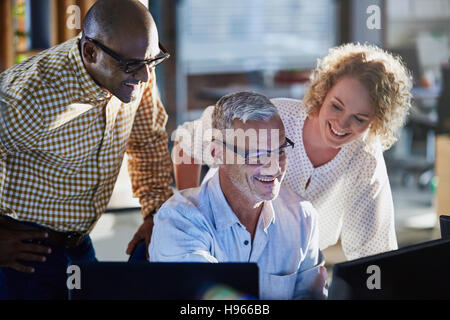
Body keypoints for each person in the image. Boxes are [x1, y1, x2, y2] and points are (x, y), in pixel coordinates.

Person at [172, 43, 413, 260]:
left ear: (376, 121)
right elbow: (186, 142)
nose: (341, 123)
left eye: (359, 118)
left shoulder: (365, 157)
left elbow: (372, 250)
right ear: (323, 92)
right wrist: (188, 209)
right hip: (221, 246)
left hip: (293, 265)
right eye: (336, 106)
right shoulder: (272, 118)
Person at [0, 0, 173, 299]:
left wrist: (155, 211)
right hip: (21, 255)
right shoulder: (28, 96)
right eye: (132, 65)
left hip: (78, 246)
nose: (145, 76)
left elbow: (147, 140)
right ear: (90, 52)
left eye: (152, 61)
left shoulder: (137, 68)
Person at [150, 92, 328, 300]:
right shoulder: (179, 220)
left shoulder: (302, 216)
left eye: (279, 151)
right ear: (217, 154)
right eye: (256, 154)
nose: (273, 168)